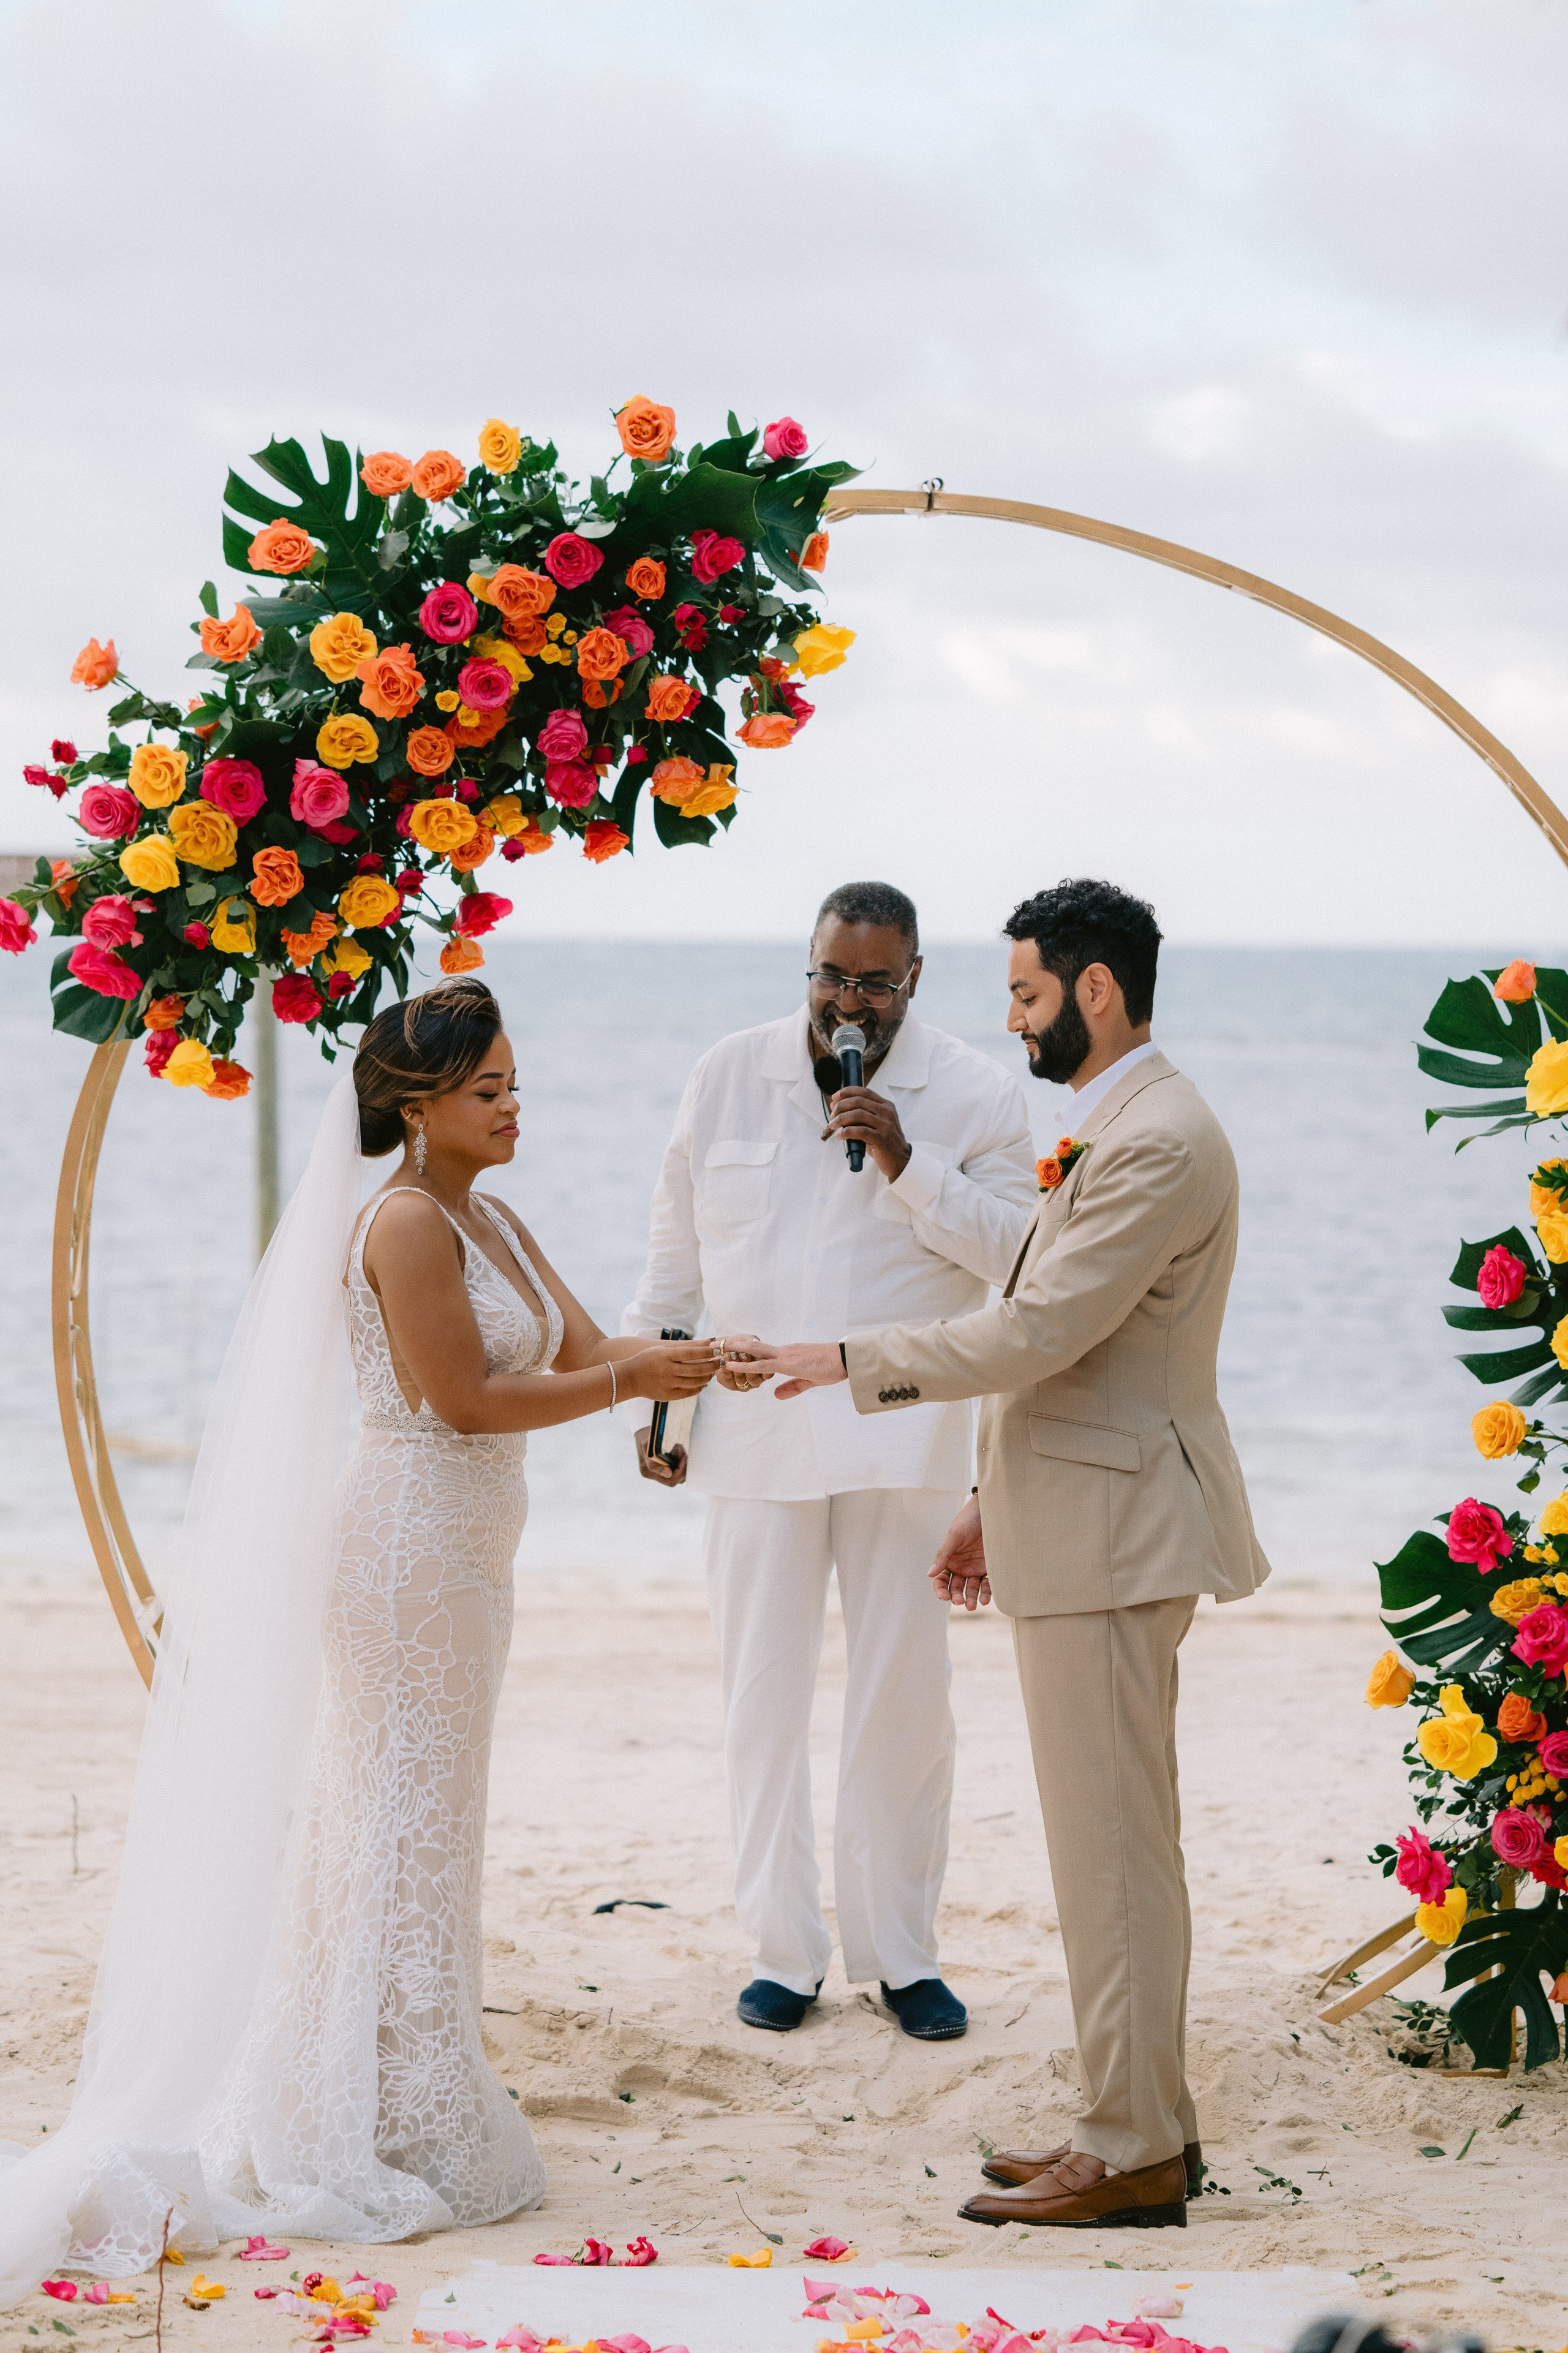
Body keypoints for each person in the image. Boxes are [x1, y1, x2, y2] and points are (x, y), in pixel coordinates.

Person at [0, 978, 720, 2300]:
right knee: (396, 1816)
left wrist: (695, 1362)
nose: (514, 1105)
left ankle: (398, 2082)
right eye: (488, 1088)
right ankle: (371, 2107)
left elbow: (583, 1344)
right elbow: (465, 1399)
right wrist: (628, 1381)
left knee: (429, 1817)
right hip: (405, 1553)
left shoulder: (490, 1216)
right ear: (418, 1105)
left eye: (515, 1083)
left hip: (469, 1555)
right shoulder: (401, 1222)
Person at [728, 878, 1269, 2230]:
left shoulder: (1154, 1139)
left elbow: (1037, 1331)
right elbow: (1064, 1325)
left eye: (1026, 993)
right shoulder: (1122, 1121)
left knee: (1112, 1856)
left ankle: (1131, 2148)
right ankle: (1142, 2124)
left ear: (1096, 990)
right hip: (1081, 1515)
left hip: (1115, 1533)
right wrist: (988, 1494)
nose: (1013, 1019)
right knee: (1113, 1849)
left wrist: (848, 1361)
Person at [623, 881, 1038, 2039]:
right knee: (761, 1696)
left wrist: (907, 1158)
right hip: (752, 1429)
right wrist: (656, 1407)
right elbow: (674, 1255)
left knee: (905, 1701)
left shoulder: (975, 1091)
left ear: (915, 980)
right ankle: (783, 1950)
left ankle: (902, 1953)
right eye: (831, 977)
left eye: (874, 983)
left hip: (904, 1431)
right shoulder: (726, 1072)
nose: (848, 1002)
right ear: (808, 967)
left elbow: (1021, 1258)